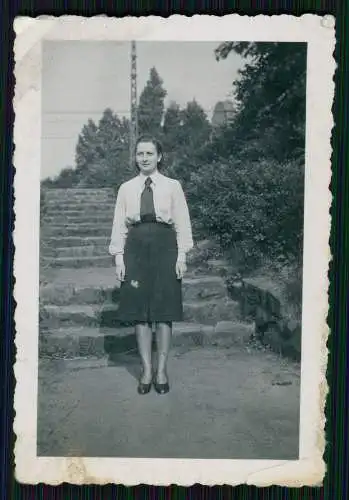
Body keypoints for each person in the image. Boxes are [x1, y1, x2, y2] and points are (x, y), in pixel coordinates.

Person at [109, 135, 194, 395]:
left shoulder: (172, 186)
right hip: (135, 246)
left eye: (149, 153)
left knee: (164, 310)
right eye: (140, 154)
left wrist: (181, 256)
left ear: (159, 156)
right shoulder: (126, 188)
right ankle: (146, 369)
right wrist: (119, 258)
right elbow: (119, 225)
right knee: (140, 311)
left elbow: (182, 222)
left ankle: (161, 370)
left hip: (165, 245)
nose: (144, 158)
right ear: (135, 158)